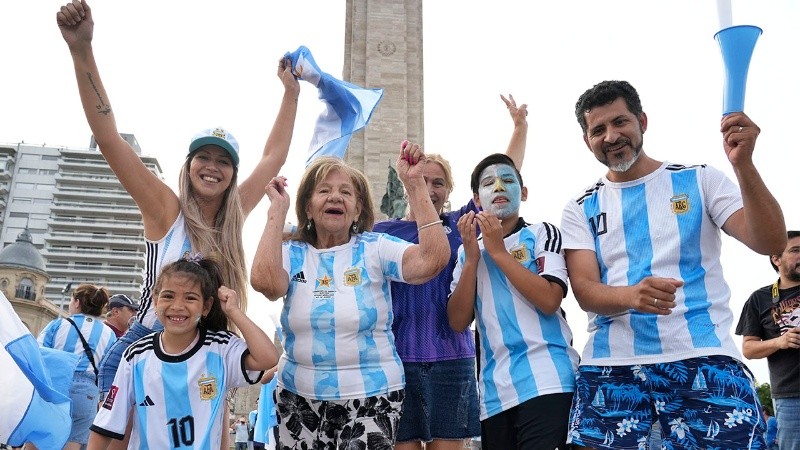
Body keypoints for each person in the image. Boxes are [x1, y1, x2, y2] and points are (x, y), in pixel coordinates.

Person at [56, 0, 299, 405]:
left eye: (223, 161)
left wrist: (290, 93)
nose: (212, 167)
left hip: (207, 350)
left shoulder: (233, 214)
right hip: (145, 348)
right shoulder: (165, 209)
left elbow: (273, 156)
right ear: (188, 167)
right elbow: (110, 137)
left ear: (232, 174)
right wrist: (82, 49)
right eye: (203, 157)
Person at [560, 80, 786, 449]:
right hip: (610, 371)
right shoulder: (580, 207)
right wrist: (631, 296)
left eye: (620, 122)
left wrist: (744, 165)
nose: (612, 136)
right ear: (587, 141)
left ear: (642, 121)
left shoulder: (700, 179)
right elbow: (585, 291)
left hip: (705, 360)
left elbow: (770, 242)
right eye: (598, 130)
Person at [250, 143, 450, 448]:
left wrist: (414, 185)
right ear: (307, 207)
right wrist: (276, 213)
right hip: (298, 401)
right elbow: (266, 283)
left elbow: (432, 260)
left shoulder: (375, 247)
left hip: (372, 398)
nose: (335, 197)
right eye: (324, 190)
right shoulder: (292, 253)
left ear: (358, 209)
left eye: (346, 192)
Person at [372, 95, 528, 450]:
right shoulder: (382, 233)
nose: (430, 188)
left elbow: (502, 178)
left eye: (438, 182)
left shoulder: (462, 224)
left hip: (453, 360)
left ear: (449, 190)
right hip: (397, 362)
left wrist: (519, 128)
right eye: (422, 179)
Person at [447, 153, 579, 450]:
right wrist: (471, 260)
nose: (498, 187)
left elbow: (549, 299)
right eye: (488, 183)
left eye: (508, 180)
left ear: (524, 192)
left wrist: (499, 253)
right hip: (494, 395)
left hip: (548, 380)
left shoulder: (543, 232)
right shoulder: (466, 253)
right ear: (476, 200)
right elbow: (457, 321)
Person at [87, 255, 279, 449]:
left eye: (190, 298)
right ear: (155, 301)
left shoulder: (221, 348)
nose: (177, 306)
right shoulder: (136, 355)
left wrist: (233, 311)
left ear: (206, 306)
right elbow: (106, 423)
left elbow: (268, 358)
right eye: (168, 296)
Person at [736, 230, 800, 450]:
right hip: (790, 394)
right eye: (795, 251)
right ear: (776, 258)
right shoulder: (759, 298)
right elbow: (748, 348)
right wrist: (779, 342)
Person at [38, 283, 117, 450]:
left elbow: (38, 354)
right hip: (87, 392)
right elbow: (109, 370)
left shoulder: (57, 325)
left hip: (55, 385)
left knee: (41, 436)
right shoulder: (109, 334)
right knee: (74, 441)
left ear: (77, 302)